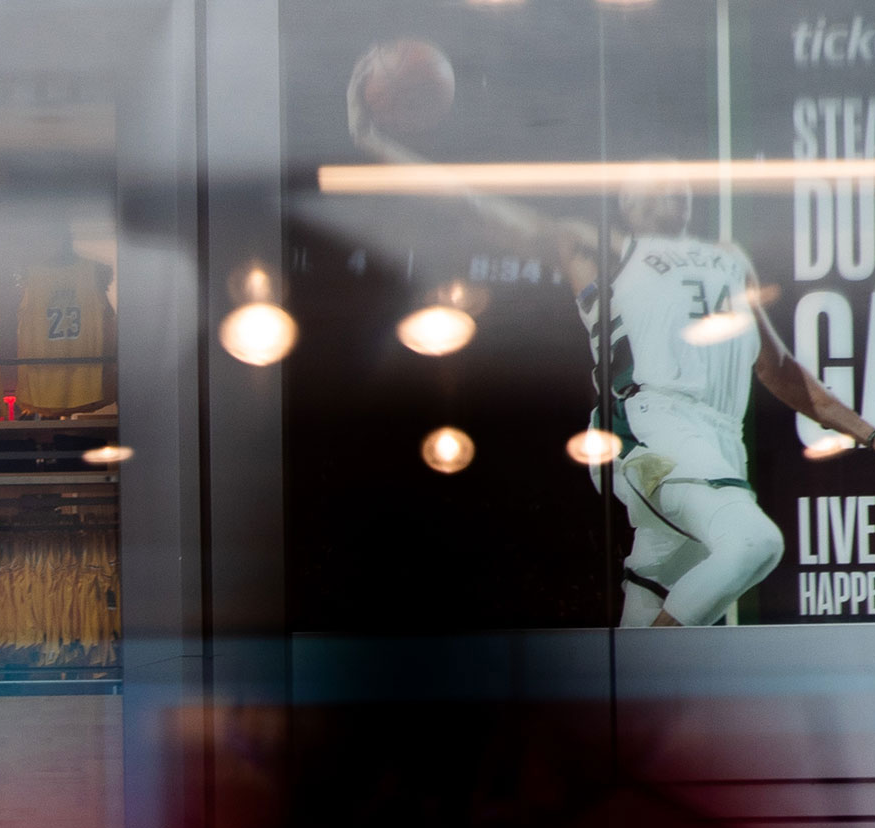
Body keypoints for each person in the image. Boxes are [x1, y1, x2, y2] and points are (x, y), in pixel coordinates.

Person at [349, 93, 875, 626]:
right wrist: (375, 143)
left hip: (718, 441)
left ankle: (636, 678)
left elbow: (779, 370)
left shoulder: (729, 258)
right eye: (653, 180)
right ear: (626, 198)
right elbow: (472, 205)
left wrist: (866, 431)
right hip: (653, 428)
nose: (671, 188)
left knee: (656, 597)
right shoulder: (600, 248)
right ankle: (647, 672)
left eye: (679, 181)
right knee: (755, 544)